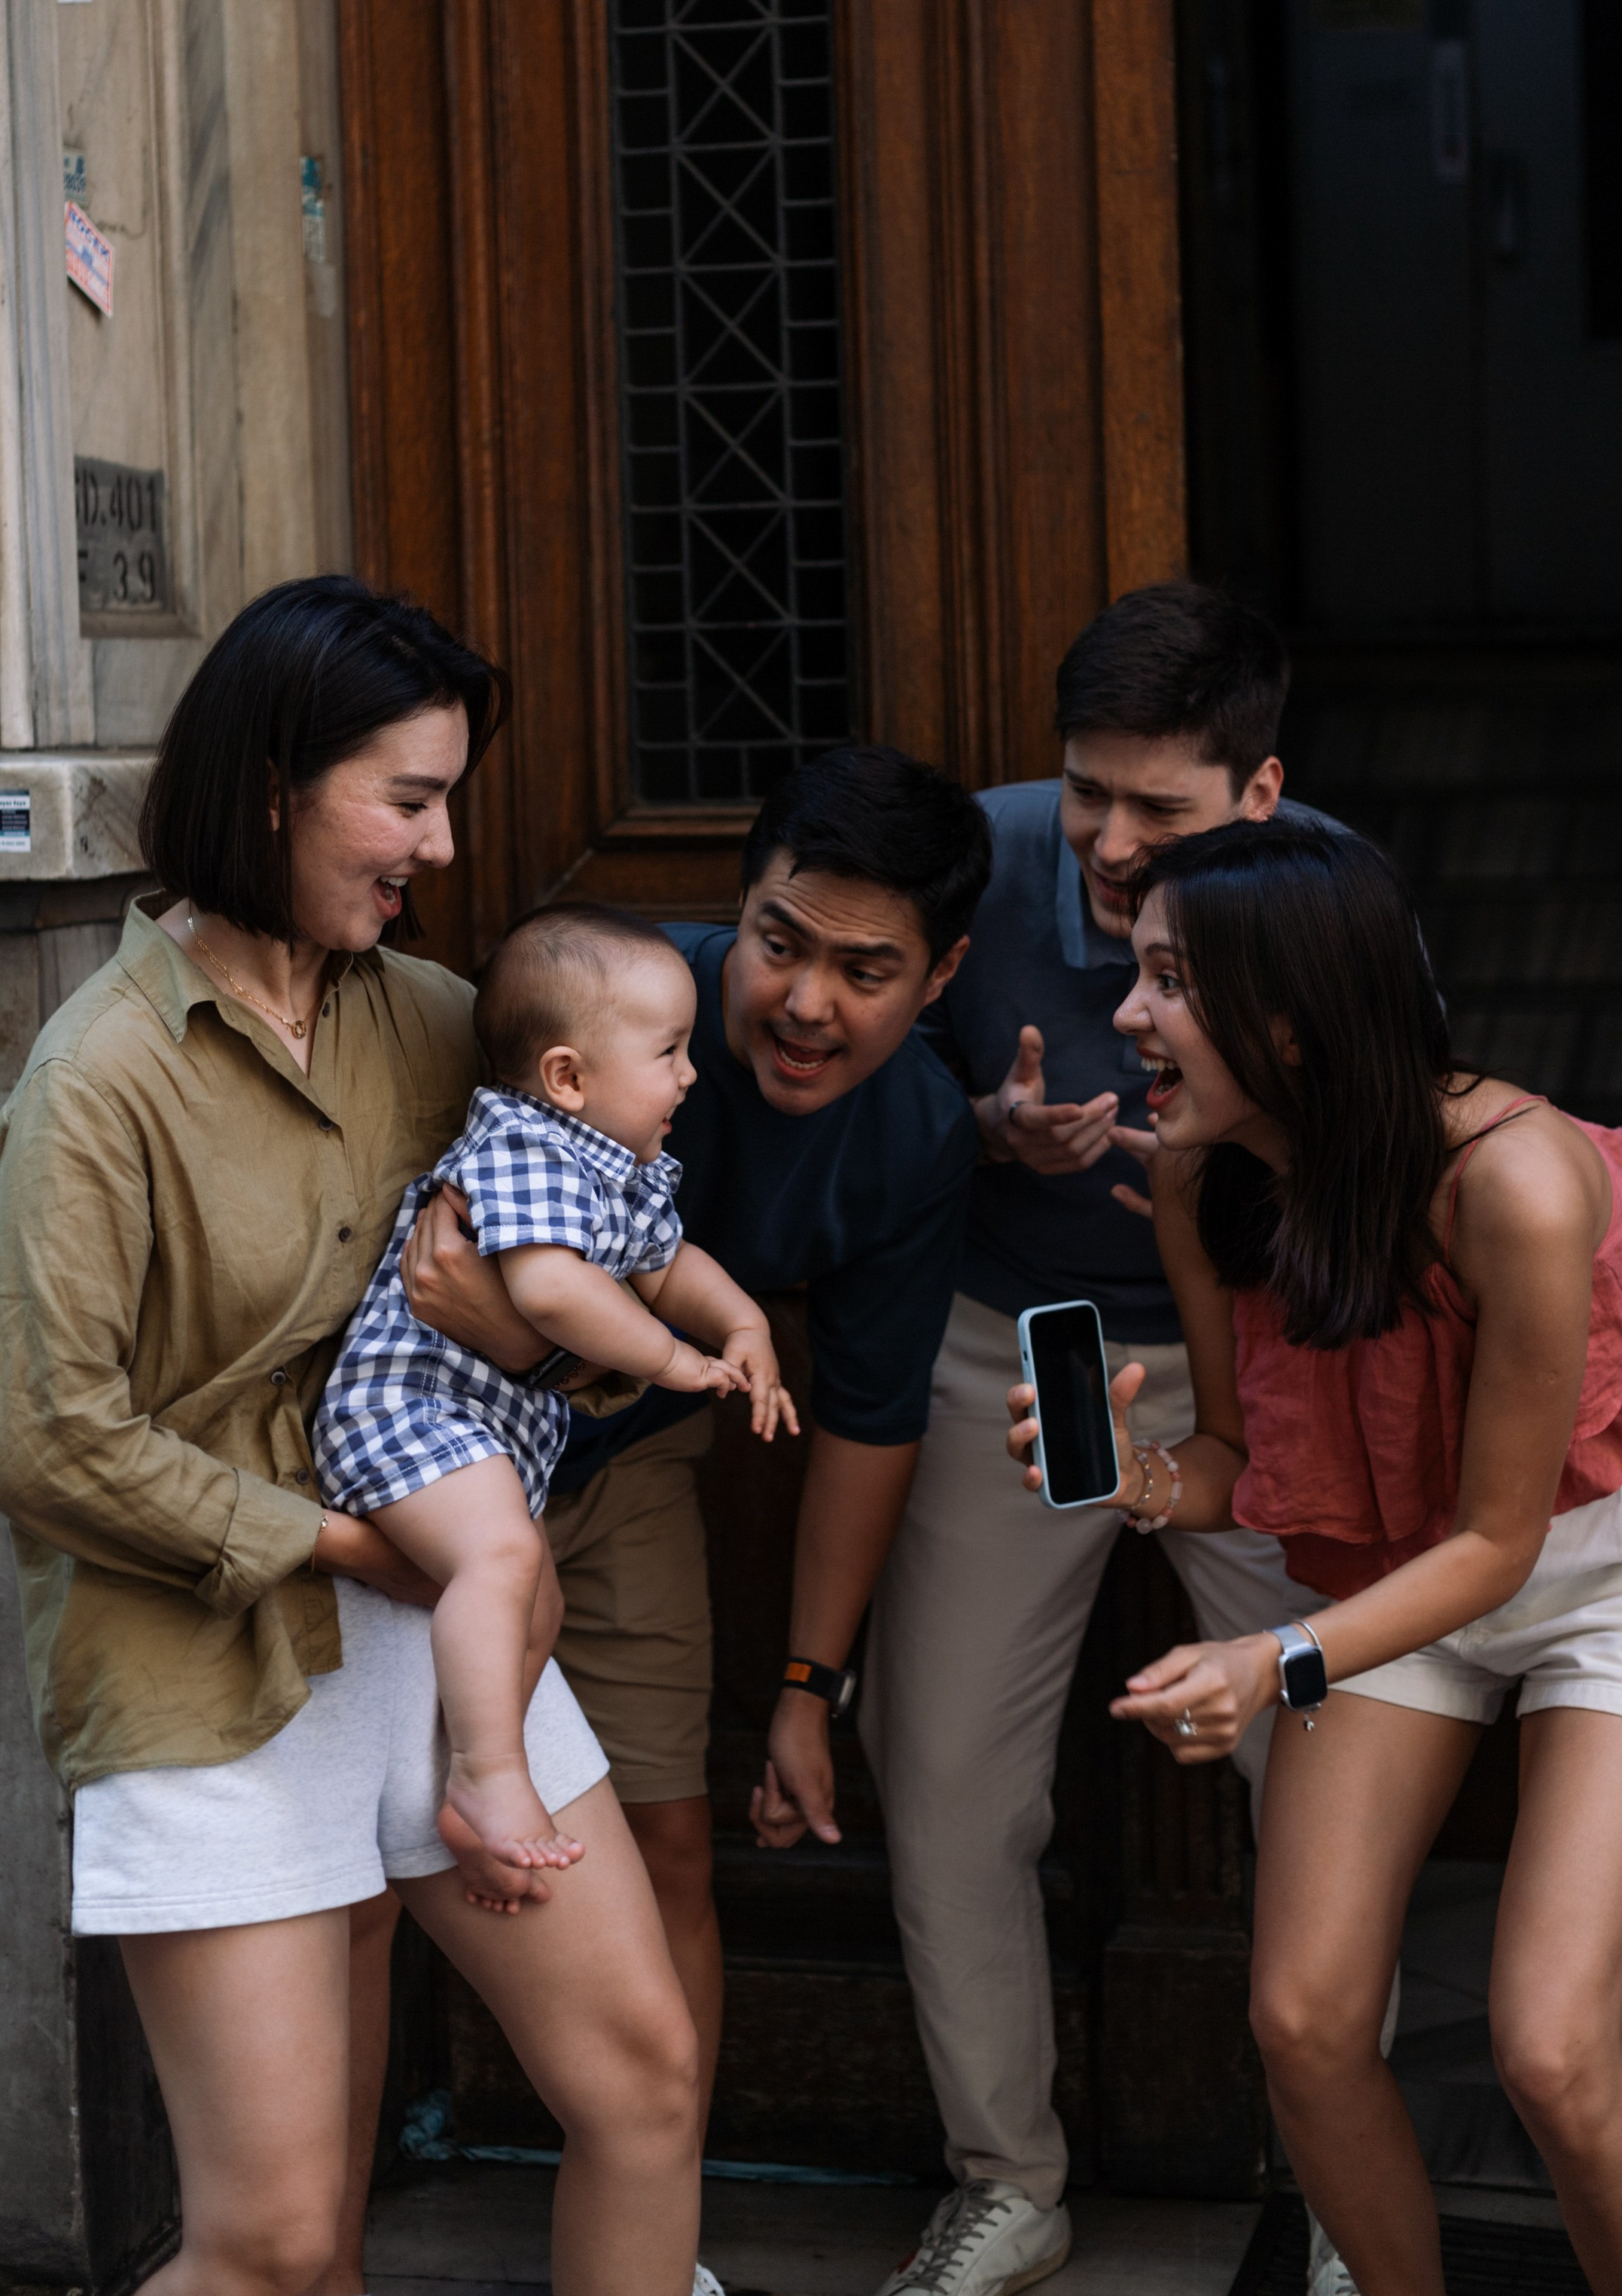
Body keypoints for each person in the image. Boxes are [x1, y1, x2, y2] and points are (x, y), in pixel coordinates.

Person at [0, 578, 710, 2296]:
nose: (439, 847)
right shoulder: (102, 1078)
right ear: (274, 782)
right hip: (207, 1667)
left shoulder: (446, 1025)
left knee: (645, 2087)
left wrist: (523, 1340)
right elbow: (46, 1437)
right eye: (410, 800)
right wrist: (338, 1543)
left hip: (443, 1637)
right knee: (281, 2247)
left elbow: (592, 1265)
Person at [1011, 818, 1622, 2296]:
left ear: (1284, 1018)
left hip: (1612, 1578)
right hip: (1398, 1575)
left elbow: (1494, 1539)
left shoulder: (1512, 1184)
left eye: (1164, 981)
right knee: (1301, 2020)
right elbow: (1237, 1462)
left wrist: (1271, 1660)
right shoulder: (1206, 1179)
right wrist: (1121, 1474)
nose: (1127, 1015)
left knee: (1548, 2043)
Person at [382, 746, 991, 2178]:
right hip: (443, 1472)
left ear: (943, 978)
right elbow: (451, 1288)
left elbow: (871, 1415)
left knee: (670, 1848)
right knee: (387, 1846)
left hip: (637, 1474)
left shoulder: (914, 1137)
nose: (804, 1001)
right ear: (740, 904)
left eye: (866, 969)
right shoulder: (606, 1015)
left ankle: (667, 2232)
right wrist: (557, 1354)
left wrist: (805, 1690)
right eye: (780, 942)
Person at [857, 583, 1332, 2296]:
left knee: (1330, 1773)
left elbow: (1398, 1137)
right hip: (1042, 1346)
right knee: (952, 1779)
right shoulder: (972, 859)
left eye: (1162, 809)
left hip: (1268, 1358)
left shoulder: (1331, 900)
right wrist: (976, 1133)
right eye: (1087, 796)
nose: (1111, 843)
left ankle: (1352, 2201)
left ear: (1259, 796)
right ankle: (1004, 2180)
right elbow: (828, 1064)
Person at [314, 906, 794, 1876]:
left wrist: (743, 1325)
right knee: (502, 1559)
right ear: (568, 1077)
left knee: (537, 1603)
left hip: (472, 1433)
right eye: (669, 1052)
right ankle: (490, 1777)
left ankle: (471, 1783)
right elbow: (550, 1288)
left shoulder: (618, 1167)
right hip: (406, 1414)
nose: (691, 1074)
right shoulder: (527, 1146)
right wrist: (672, 1361)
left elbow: (671, 1265)